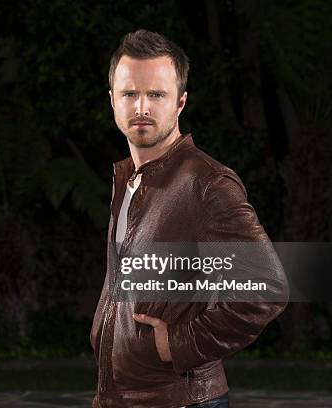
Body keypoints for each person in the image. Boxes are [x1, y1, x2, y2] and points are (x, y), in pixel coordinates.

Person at [90, 29, 288, 408]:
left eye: (157, 95)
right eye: (130, 93)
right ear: (112, 99)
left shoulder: (207, 183)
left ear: (180, 102)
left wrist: (180, 343)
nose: (141, 107)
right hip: (121, 397)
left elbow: (267, 289)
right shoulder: (128, 179)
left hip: (180, 400)